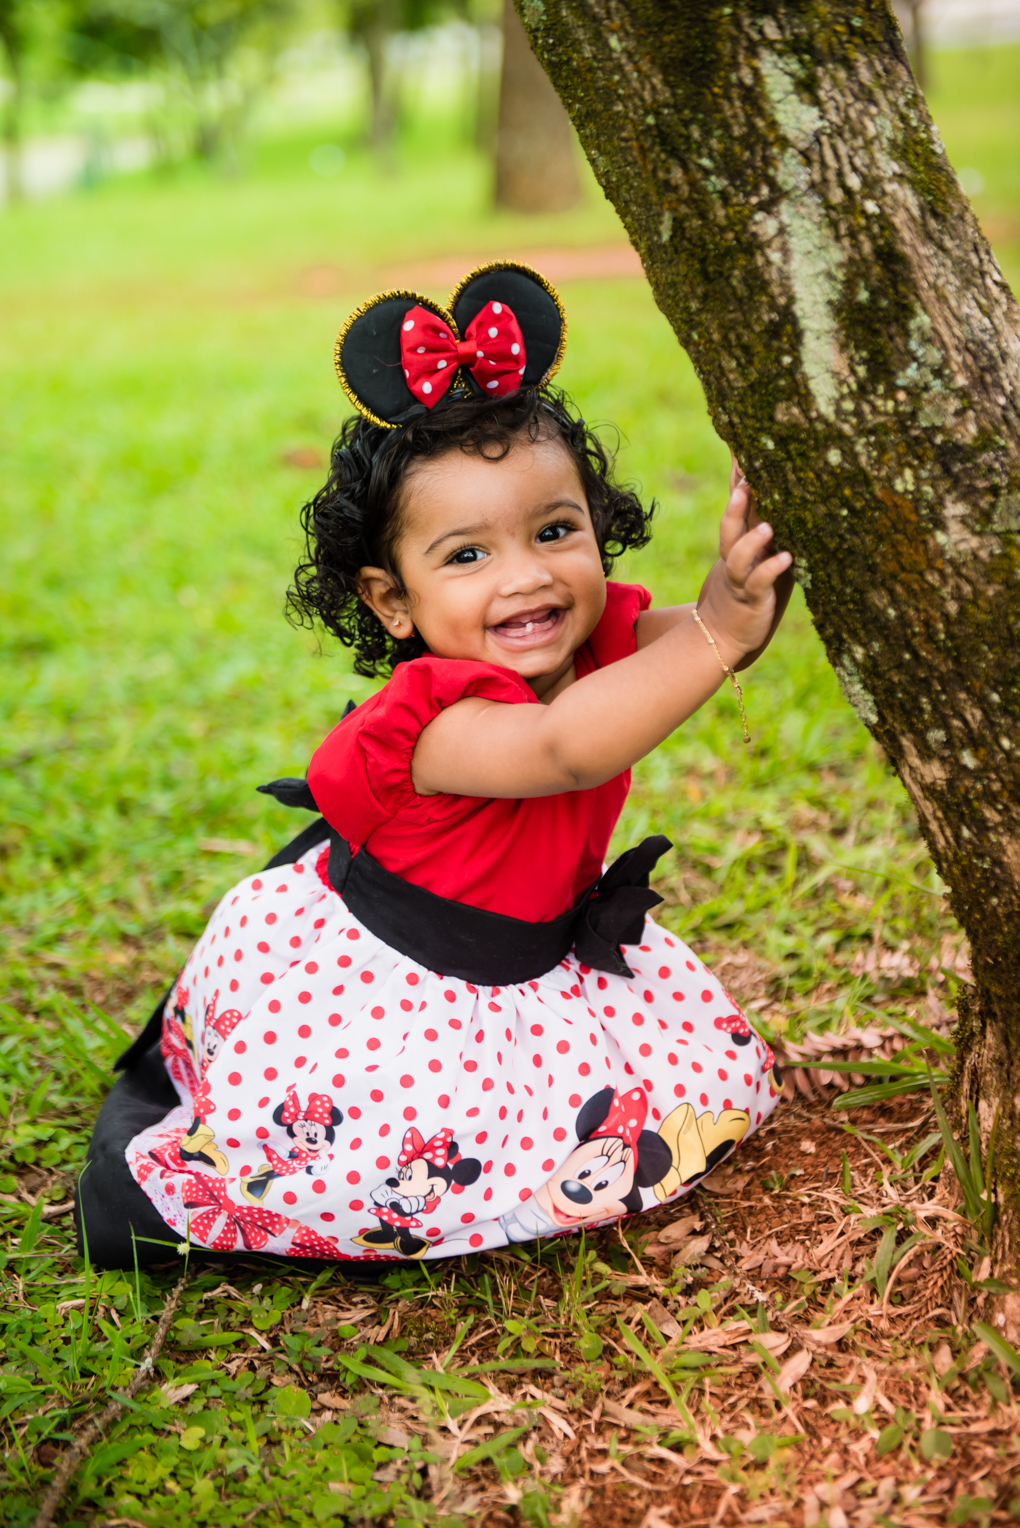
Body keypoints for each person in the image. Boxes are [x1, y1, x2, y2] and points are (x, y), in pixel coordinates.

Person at [76, 261, 789, 1268]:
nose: (527, 575)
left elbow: (711, 647)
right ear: (392, 601)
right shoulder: (430, 724)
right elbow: (567, 744)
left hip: (528, 953)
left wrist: (741, 589)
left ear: (596, 526)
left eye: (555, 530)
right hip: (406, 987)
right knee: (380, 1157)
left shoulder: (594, 646)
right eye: (467, 555)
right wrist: (716, 627)